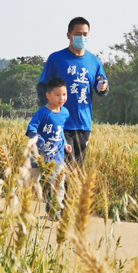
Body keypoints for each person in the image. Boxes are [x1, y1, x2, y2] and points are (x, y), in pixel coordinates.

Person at [37, 17, 108, 166]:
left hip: (83, 124)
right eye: (78, 34)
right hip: (60, 123)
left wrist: (103, 88)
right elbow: (42, 86)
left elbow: (101, 87)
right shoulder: (56, 59)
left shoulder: (94, 62)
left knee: (77, 169)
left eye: (85, 34)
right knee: (59, 169)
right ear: (69, 35)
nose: (82, 37)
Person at [27, 78, 72, 219]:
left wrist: (65, 143)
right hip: (39, 157)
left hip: (57, 158)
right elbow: (31, 129)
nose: (61, 98)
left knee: (58, 185)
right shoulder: (43, 113)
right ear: (48, 95)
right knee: (30, 184)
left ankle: (55, 213)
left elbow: (60, 131)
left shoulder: (65, 113)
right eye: (57, 95)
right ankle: (23, 210)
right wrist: (36, 138)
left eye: (64, 94)